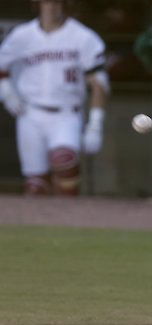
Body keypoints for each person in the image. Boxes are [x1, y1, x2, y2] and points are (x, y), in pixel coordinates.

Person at [0, 0, 109, 196]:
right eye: (47, 2)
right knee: (35, 184)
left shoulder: (83, 37)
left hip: (66, 114)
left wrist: (95, 125)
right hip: (30, 114)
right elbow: (2, 65)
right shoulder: (22, 35)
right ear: (37, 5)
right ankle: (39, 224)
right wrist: (7, 92)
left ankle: (69, 221)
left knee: (65, 162)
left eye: (58, 2)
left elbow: (99, 84)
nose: (52, 7)